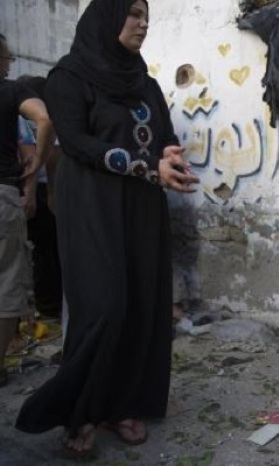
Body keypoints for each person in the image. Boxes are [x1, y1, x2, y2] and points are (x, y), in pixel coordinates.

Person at [14, 0, 199, 460]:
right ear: (108, 17)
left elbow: (164, 136)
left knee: (140, 303)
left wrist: (171, 157)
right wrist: (147, 166)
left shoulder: (146, 84)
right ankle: (80, 410)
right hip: (92, 204)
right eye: (134, 13)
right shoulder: (69, 77)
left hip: (141, 204)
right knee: (104, 304)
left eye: (146, 15)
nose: (143, 22)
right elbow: (76, 142)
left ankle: (122, 404)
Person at [0, 34, 52, 389]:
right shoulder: (12, 91)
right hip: (2, 195)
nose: (11, 62)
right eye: (7, 55)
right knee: (6, 284)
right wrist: (36, 167)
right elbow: (44, 120)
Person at [17, 75, 64, 320]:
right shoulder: (47, 116)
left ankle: (48, 305)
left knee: (43, 250)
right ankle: (52, 303)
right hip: (46, 188)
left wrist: (42, 192)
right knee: (50, 248)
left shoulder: (33, 119)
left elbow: (44, 157)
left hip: (38, 189)